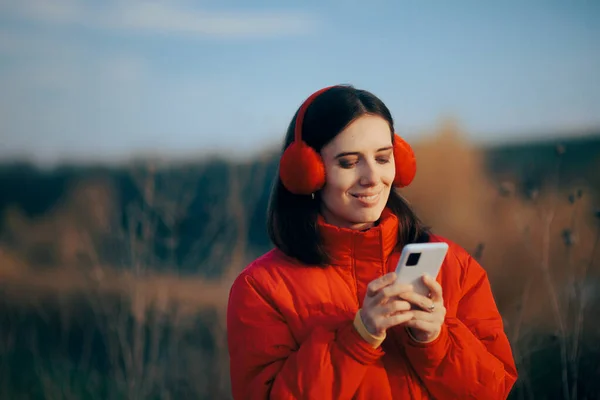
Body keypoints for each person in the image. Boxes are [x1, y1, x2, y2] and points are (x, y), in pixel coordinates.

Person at [226, 84, 518, 399]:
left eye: (382, 158)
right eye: (349, 163)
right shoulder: (261, 289)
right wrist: (358, 336)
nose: (372, 177)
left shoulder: (454, 266)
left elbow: (495, 391)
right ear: (307, 172)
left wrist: (436, 341)